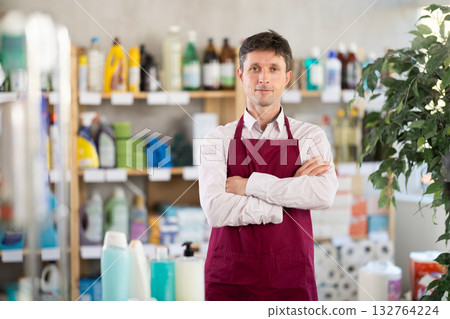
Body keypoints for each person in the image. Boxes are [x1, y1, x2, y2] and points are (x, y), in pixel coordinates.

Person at [198, 30, 338, 301]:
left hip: (290, 279)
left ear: (287, 77)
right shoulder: (218, 138)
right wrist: (287, 199)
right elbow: (215, 210)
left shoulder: (309, 137)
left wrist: (248, 185)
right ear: (240, 75)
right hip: (229, 280)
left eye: (273, 68)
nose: (263, 78)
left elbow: (323, 194)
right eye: (254, 68)